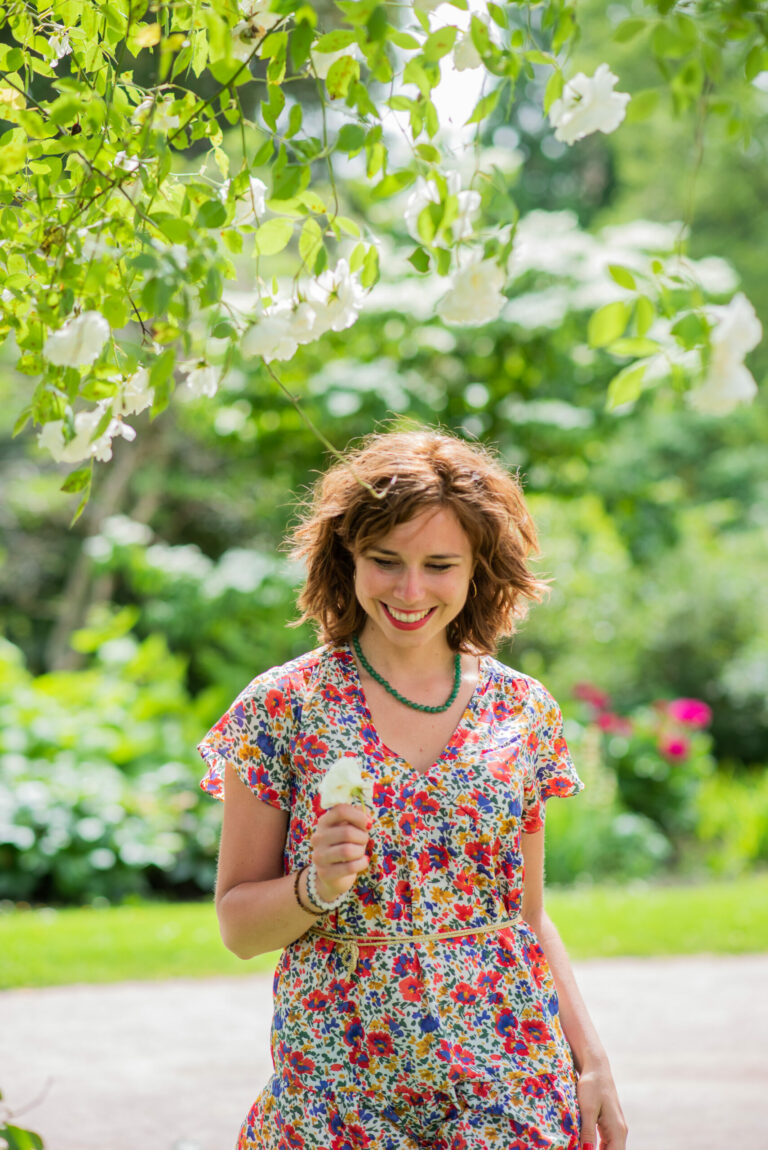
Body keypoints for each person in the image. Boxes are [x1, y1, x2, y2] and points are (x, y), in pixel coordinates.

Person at [198, 429, 628, 1150]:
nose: (410, 590)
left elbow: (527, 917)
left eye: (439, 565)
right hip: (339, 1080)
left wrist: (594, 1063)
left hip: (507, 1070)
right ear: (347, 558)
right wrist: (316, 884)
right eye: (384, 561)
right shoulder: (283, 707)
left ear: (477, 569)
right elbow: (239, 927)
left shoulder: (521, 710)